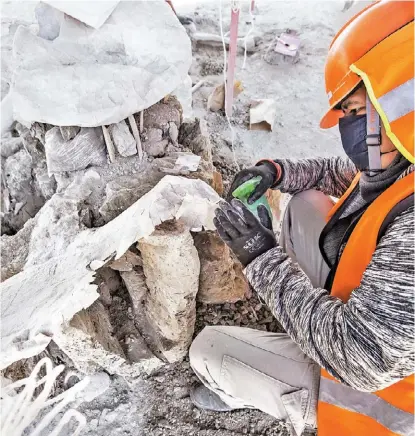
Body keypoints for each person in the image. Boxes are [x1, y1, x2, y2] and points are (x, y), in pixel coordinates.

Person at [189, 2, 414, 435]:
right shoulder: (405, 156)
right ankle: (302, 331)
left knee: (210, 349)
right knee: (306, 203)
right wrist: (277, 172)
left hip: (375, 391)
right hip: (374, 319)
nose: (345, 128)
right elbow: (341, 173)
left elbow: (361, 360)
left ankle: (250, 388)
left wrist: (261, 257)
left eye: (354, 112)